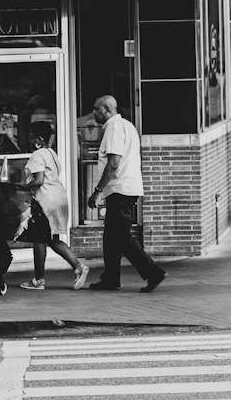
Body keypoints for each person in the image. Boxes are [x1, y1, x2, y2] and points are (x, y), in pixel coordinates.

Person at [87, 94, 166, 293]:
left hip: (120, 189)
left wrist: (97, 192)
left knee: (120, 234)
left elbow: (113, 164)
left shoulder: (114, 128)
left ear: (107, 110)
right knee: (111, 236)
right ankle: (111, 278)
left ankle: (152, 271)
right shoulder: (127, 126)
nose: (94, 112)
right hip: (126, 188)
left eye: (97, 109)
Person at [18, 124, 90, 291]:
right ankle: (78, 267)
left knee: (38, 239)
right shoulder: (52, 153)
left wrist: (20, 187)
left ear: (39, 139)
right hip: (58, 198)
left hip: (45, 201)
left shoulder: (37, 154)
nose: (29, 141)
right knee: (51, 238)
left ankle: (39, 280)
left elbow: (38, 180)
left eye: (31, 137)